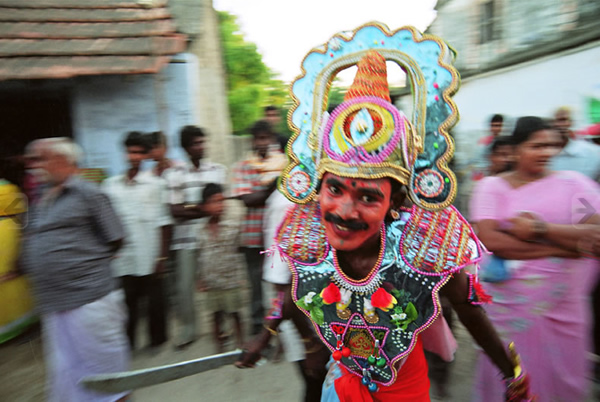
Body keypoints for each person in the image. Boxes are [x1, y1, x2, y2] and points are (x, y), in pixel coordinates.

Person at [237, 25, 534, 401]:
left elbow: (469, 310)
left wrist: (513, 375)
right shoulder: (307, 236)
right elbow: (292, 290)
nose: (344, 211)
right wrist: (268, 332)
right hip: (341, 387)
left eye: (367, 197)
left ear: (396, 202)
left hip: (404, 390)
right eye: (335, 189)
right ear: (318, 186)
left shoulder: (424, 249)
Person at [470, 116, 600, 401]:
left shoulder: (574, 185)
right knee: (512, 372)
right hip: (509, 308)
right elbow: (493, 242)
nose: (547, 152)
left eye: (551, 146)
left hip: (565, 307)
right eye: (537, 146)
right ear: (515, 150)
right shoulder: (491, 187)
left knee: (564, 373)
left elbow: (596, 234)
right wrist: (561, 248)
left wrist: (541, 229)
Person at [18, 137, 130, 402]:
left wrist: (82, 268)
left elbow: (116, 237)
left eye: (40, 158)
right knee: (68, 372)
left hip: (90, 299)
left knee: (106, 372)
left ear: (63, 160)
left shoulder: (89, 193)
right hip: (55, 303)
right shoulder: (40, 200)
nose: (33, 166)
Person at [103, 132, 172, 351]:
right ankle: (127, 343)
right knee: (127, 302)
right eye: (131, 152)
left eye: (139, 153)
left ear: (145, 156)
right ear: (125, 154)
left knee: (155, 301)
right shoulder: (110, 186)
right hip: (123, 256)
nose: (134, 157)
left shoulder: (156, 184)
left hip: (150, 252)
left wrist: (162, 257)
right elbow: (106, 223)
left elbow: (165, 222)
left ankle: (157, 341)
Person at [164, 125, 227, 349]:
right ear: (185, 148)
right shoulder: (175, 174)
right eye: (195, 143)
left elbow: (220, 204)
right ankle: (188, 329)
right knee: (185, 286)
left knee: (218, 281)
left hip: (214, 237)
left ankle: (222, 327)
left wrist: (192, 207)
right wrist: (205, 208)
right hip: (186, 239)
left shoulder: (217, 170)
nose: (200, 147)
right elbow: (175, 211)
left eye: (202, 142)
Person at [232, 119, 286, 335]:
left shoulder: (283, 163)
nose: (262, 142)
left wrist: (265, 192)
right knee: (255, 286)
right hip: (253, 237)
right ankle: (257, 329)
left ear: (272, 139)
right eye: (258, 138)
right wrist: (274, 188)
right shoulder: (243, 167)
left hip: (279, 235)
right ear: (252, 141)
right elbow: (247, 200)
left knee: (279, 284)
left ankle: (280, 329)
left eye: (265, 138)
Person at [196, 183, 245, 352]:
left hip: (230, 279)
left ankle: (240, 343)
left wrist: (240, 276)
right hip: (212, 281)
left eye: (222, 201)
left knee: (234, 312)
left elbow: (238, 250)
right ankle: (219, 346)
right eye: (215, 202)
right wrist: (200, 279)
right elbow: (200, 256)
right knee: (215, 315)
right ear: (204, 206)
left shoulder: (232, 226)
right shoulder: (201, 231)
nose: (220, 206)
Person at [550, 106, 600, 180]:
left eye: (563, 120)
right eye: (554, 121)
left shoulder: (594, 153)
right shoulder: (544, 156)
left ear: (571, 123)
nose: (557, 125)